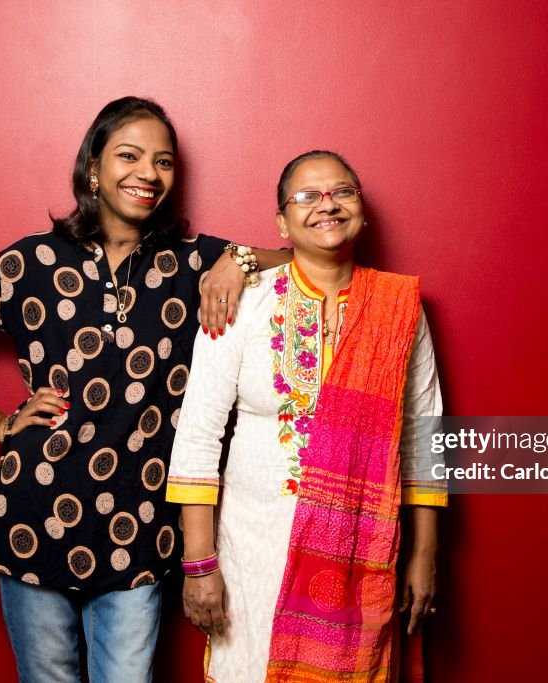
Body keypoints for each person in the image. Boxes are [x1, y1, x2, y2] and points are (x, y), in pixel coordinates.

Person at [0, 96, 290, 682]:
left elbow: (302, 261)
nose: (147, 173)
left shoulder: (191, 262)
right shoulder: (29, 260)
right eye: (129, 155)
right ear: (92, 169)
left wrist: (236, 260)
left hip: (141, 522)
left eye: (163, 161)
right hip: (35, 514)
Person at [167, 150, 448, 682]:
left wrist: (423, 557)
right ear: (282, 222)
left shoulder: (399, 310)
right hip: (255, 554)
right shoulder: (242, 301)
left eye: (342, 192)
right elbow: (199, 435)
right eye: (307, 196)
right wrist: (199, 564)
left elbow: (423, 441)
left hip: (361, 555)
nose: (327, 205)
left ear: (361, 209)